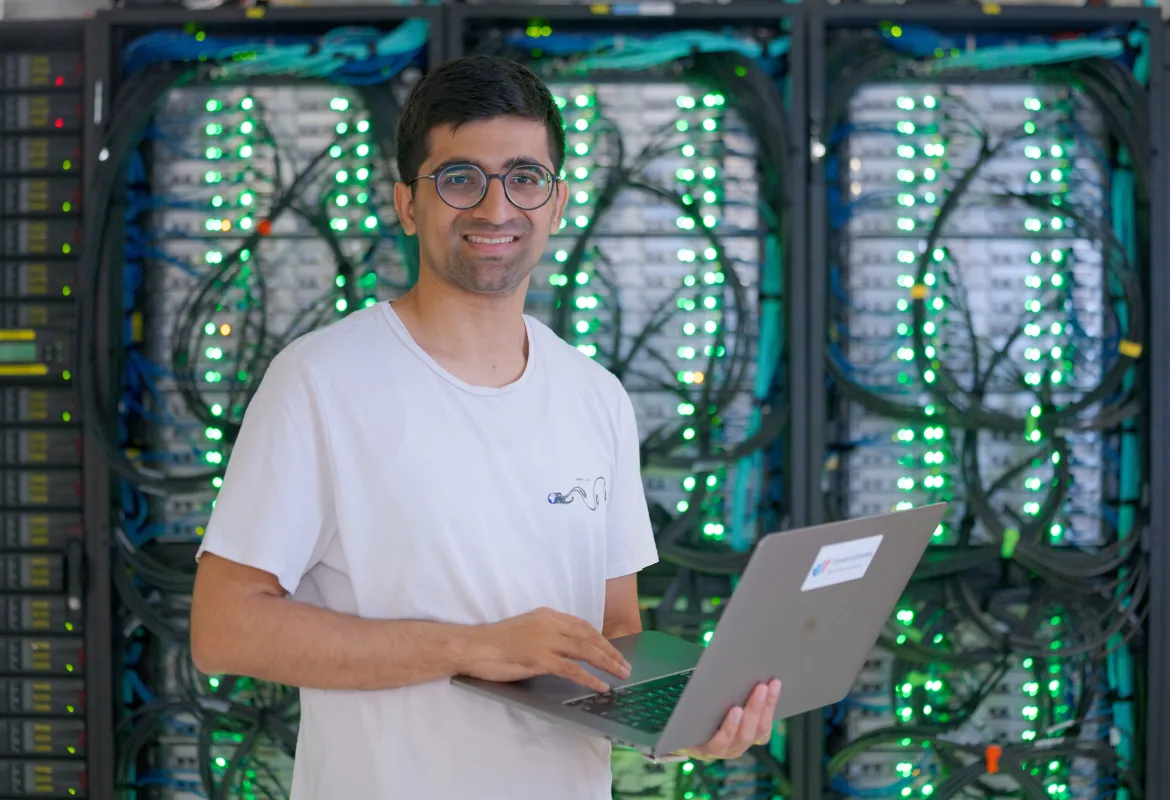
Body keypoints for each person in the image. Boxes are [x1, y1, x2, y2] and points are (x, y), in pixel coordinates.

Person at [189, 54, 782, 799]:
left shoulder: (595, 397)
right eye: (459, 177)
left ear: (558, 201)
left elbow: (613, 630)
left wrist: (681, 721)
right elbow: (223, 629)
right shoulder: (321, 381)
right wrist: (471, 647)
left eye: (524, 177)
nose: (496, 209)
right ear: (408, 204)